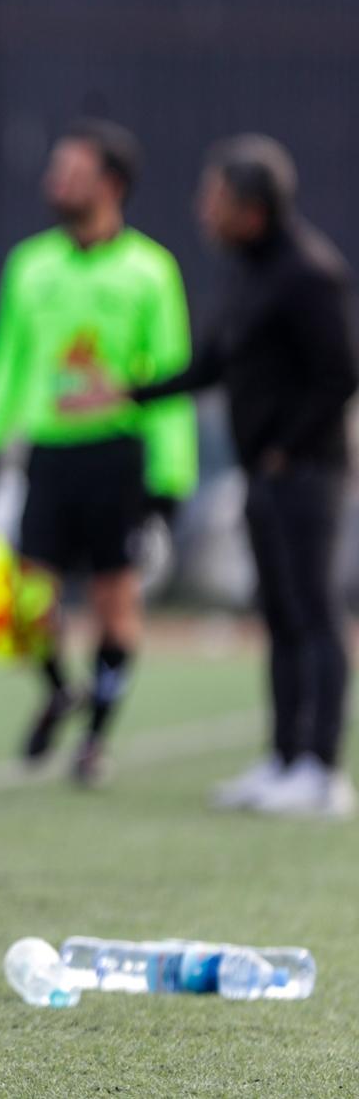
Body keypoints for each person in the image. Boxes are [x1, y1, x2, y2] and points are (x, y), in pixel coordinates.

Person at [65, 135, 358, 818]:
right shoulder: (248, 273)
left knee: (314, 615)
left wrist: (286, 447)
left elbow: (341, 373)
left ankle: (321, 771)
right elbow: (213, 365)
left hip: (307, 472)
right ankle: (284, 758)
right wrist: (128, 392)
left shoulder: (309, 273)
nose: (204, 209)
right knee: (279, 616)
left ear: (251, 209)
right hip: (264, 473)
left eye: (215, 197)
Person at [0, 119, 198, 786]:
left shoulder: (151, 271)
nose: (55, 182)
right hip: (50, 456)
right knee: (28, 604)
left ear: (111, 184)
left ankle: (95, 739)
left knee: (114, 601)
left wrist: (170, 475)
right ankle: (61, 688)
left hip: (117, 458)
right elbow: (8, 364)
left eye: (72, 172)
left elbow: (170, 376)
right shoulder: (30, 266)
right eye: (56, 171)